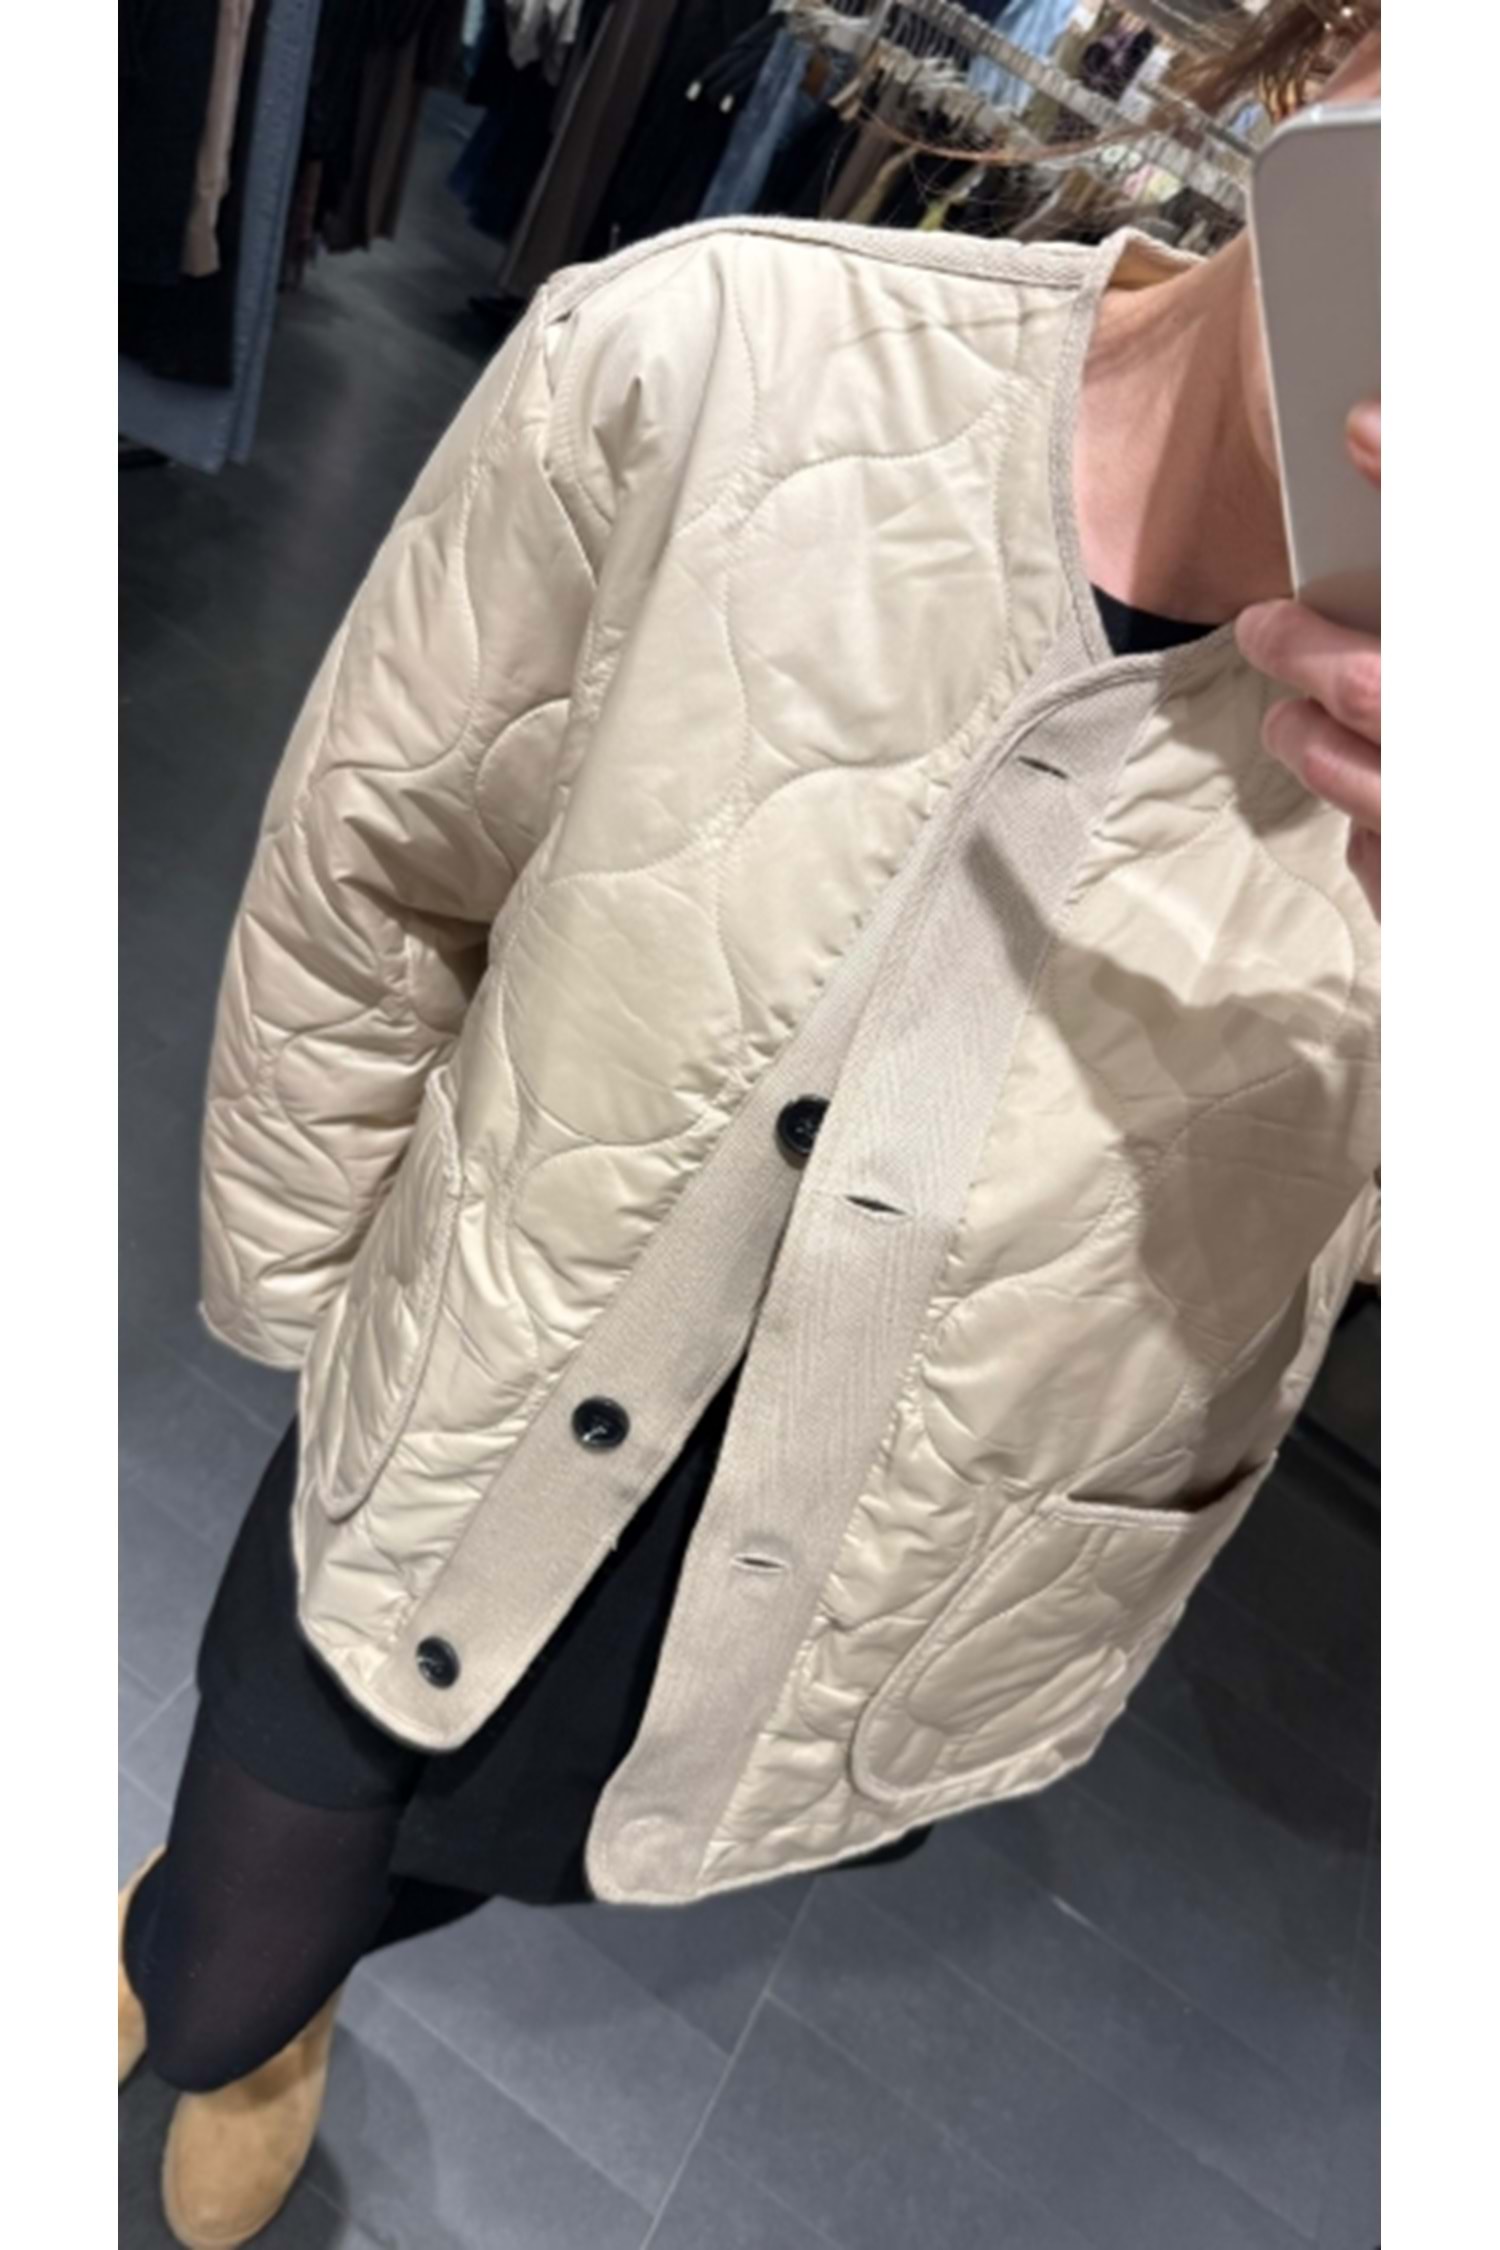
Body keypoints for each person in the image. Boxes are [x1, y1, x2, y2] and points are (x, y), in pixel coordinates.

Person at [119, 7, 1381, 2243]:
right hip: (483, 1384)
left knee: (535, 1835)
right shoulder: (719, 351)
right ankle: (236, 1989)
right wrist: (323, 1325)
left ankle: (312, 1969)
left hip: (885, 1552)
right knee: (223, 1947)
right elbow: (381, 864)